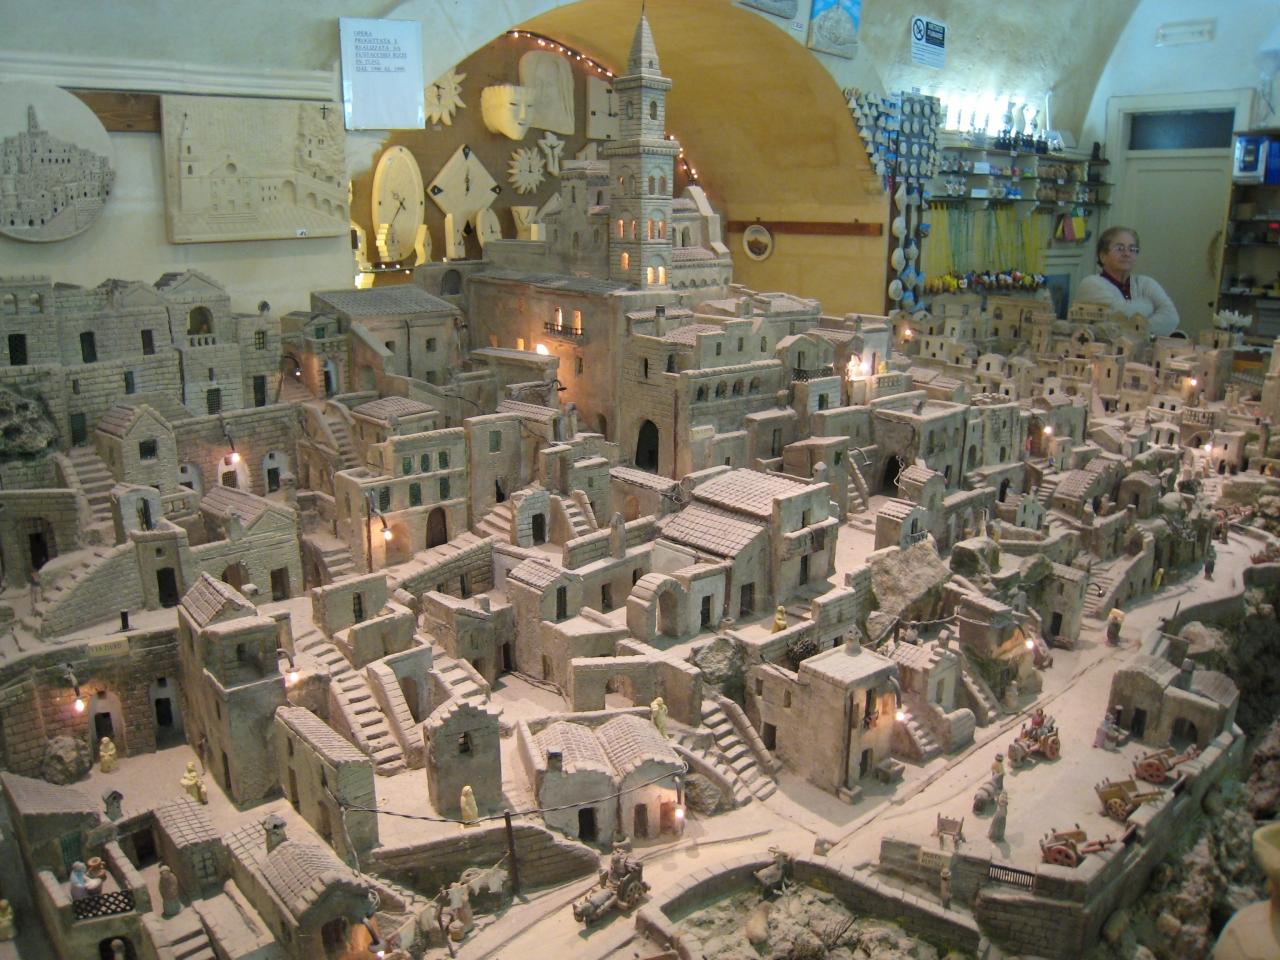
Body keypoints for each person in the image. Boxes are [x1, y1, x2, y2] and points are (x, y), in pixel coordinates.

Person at [1074, 226, 1179, 337]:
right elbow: (1121, 315)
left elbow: (1172, 318)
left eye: (1132, 249)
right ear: (1103, 256)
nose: (1127, 254)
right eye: (1120, 248)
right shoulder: (1090, 284)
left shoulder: (1146, 283)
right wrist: (1149, 306)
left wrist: (1136, 331)